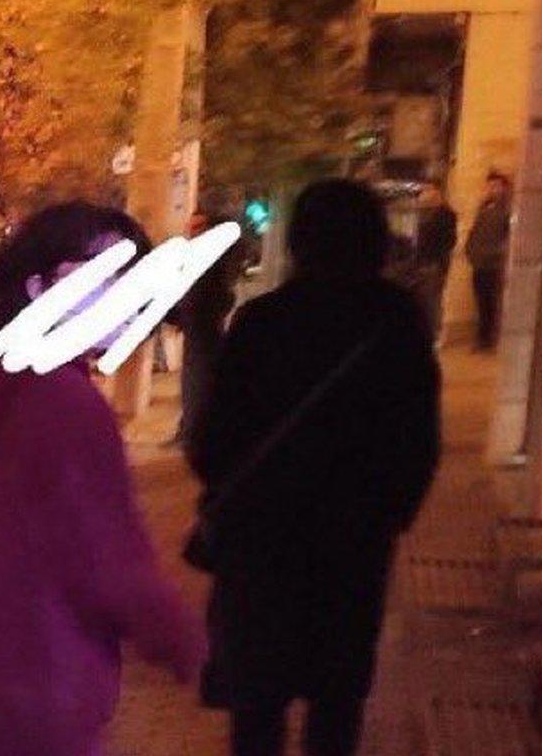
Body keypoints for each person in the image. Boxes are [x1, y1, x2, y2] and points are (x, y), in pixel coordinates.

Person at [0, 202, 204, 756]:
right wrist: (184, 641)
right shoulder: (65, 402)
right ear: (37, 285)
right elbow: (111, 559)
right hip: (41, 683)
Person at [189, 179, 441, 756]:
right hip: (352, 550)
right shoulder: (397, 325)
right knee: (337, 707)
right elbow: (417, 444)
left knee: (257, 709)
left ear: (300, 239)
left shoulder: (261, 323)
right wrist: (384, 515)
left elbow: (210, 442)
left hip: (263, 548)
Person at [171, 210, 245, 449]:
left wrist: (208, 314)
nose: (194, 232)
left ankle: (194, 431)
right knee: (193, 378)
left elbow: (223, 292)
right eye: (191, 227)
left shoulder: (215, 257)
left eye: (199, 227)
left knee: (200, 378)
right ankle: (189, 428)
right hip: (194, 325)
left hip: (205, 326)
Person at [464, 171, 511, 350]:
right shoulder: (484, 206)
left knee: (492, 303)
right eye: (490, 185)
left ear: (504, 187)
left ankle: (489, 340)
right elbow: (475, 232)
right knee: (481, 303)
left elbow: (509, 237)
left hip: (494, 265)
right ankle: (482, 339)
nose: (492, 189)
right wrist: (470, 250)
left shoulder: (507, 209)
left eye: (496, 185)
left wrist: (496, 253)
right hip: (480, 263)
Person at [414, 183, 457, 342]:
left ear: (437, 193)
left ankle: (435, 334)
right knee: (423, 300)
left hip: (434, 264)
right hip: (421, 262)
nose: (424, 194)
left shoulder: (446, 214)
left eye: (428, 190)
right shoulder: (422, 213)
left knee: (432, 300)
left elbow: (448, 241)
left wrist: (437, 261)